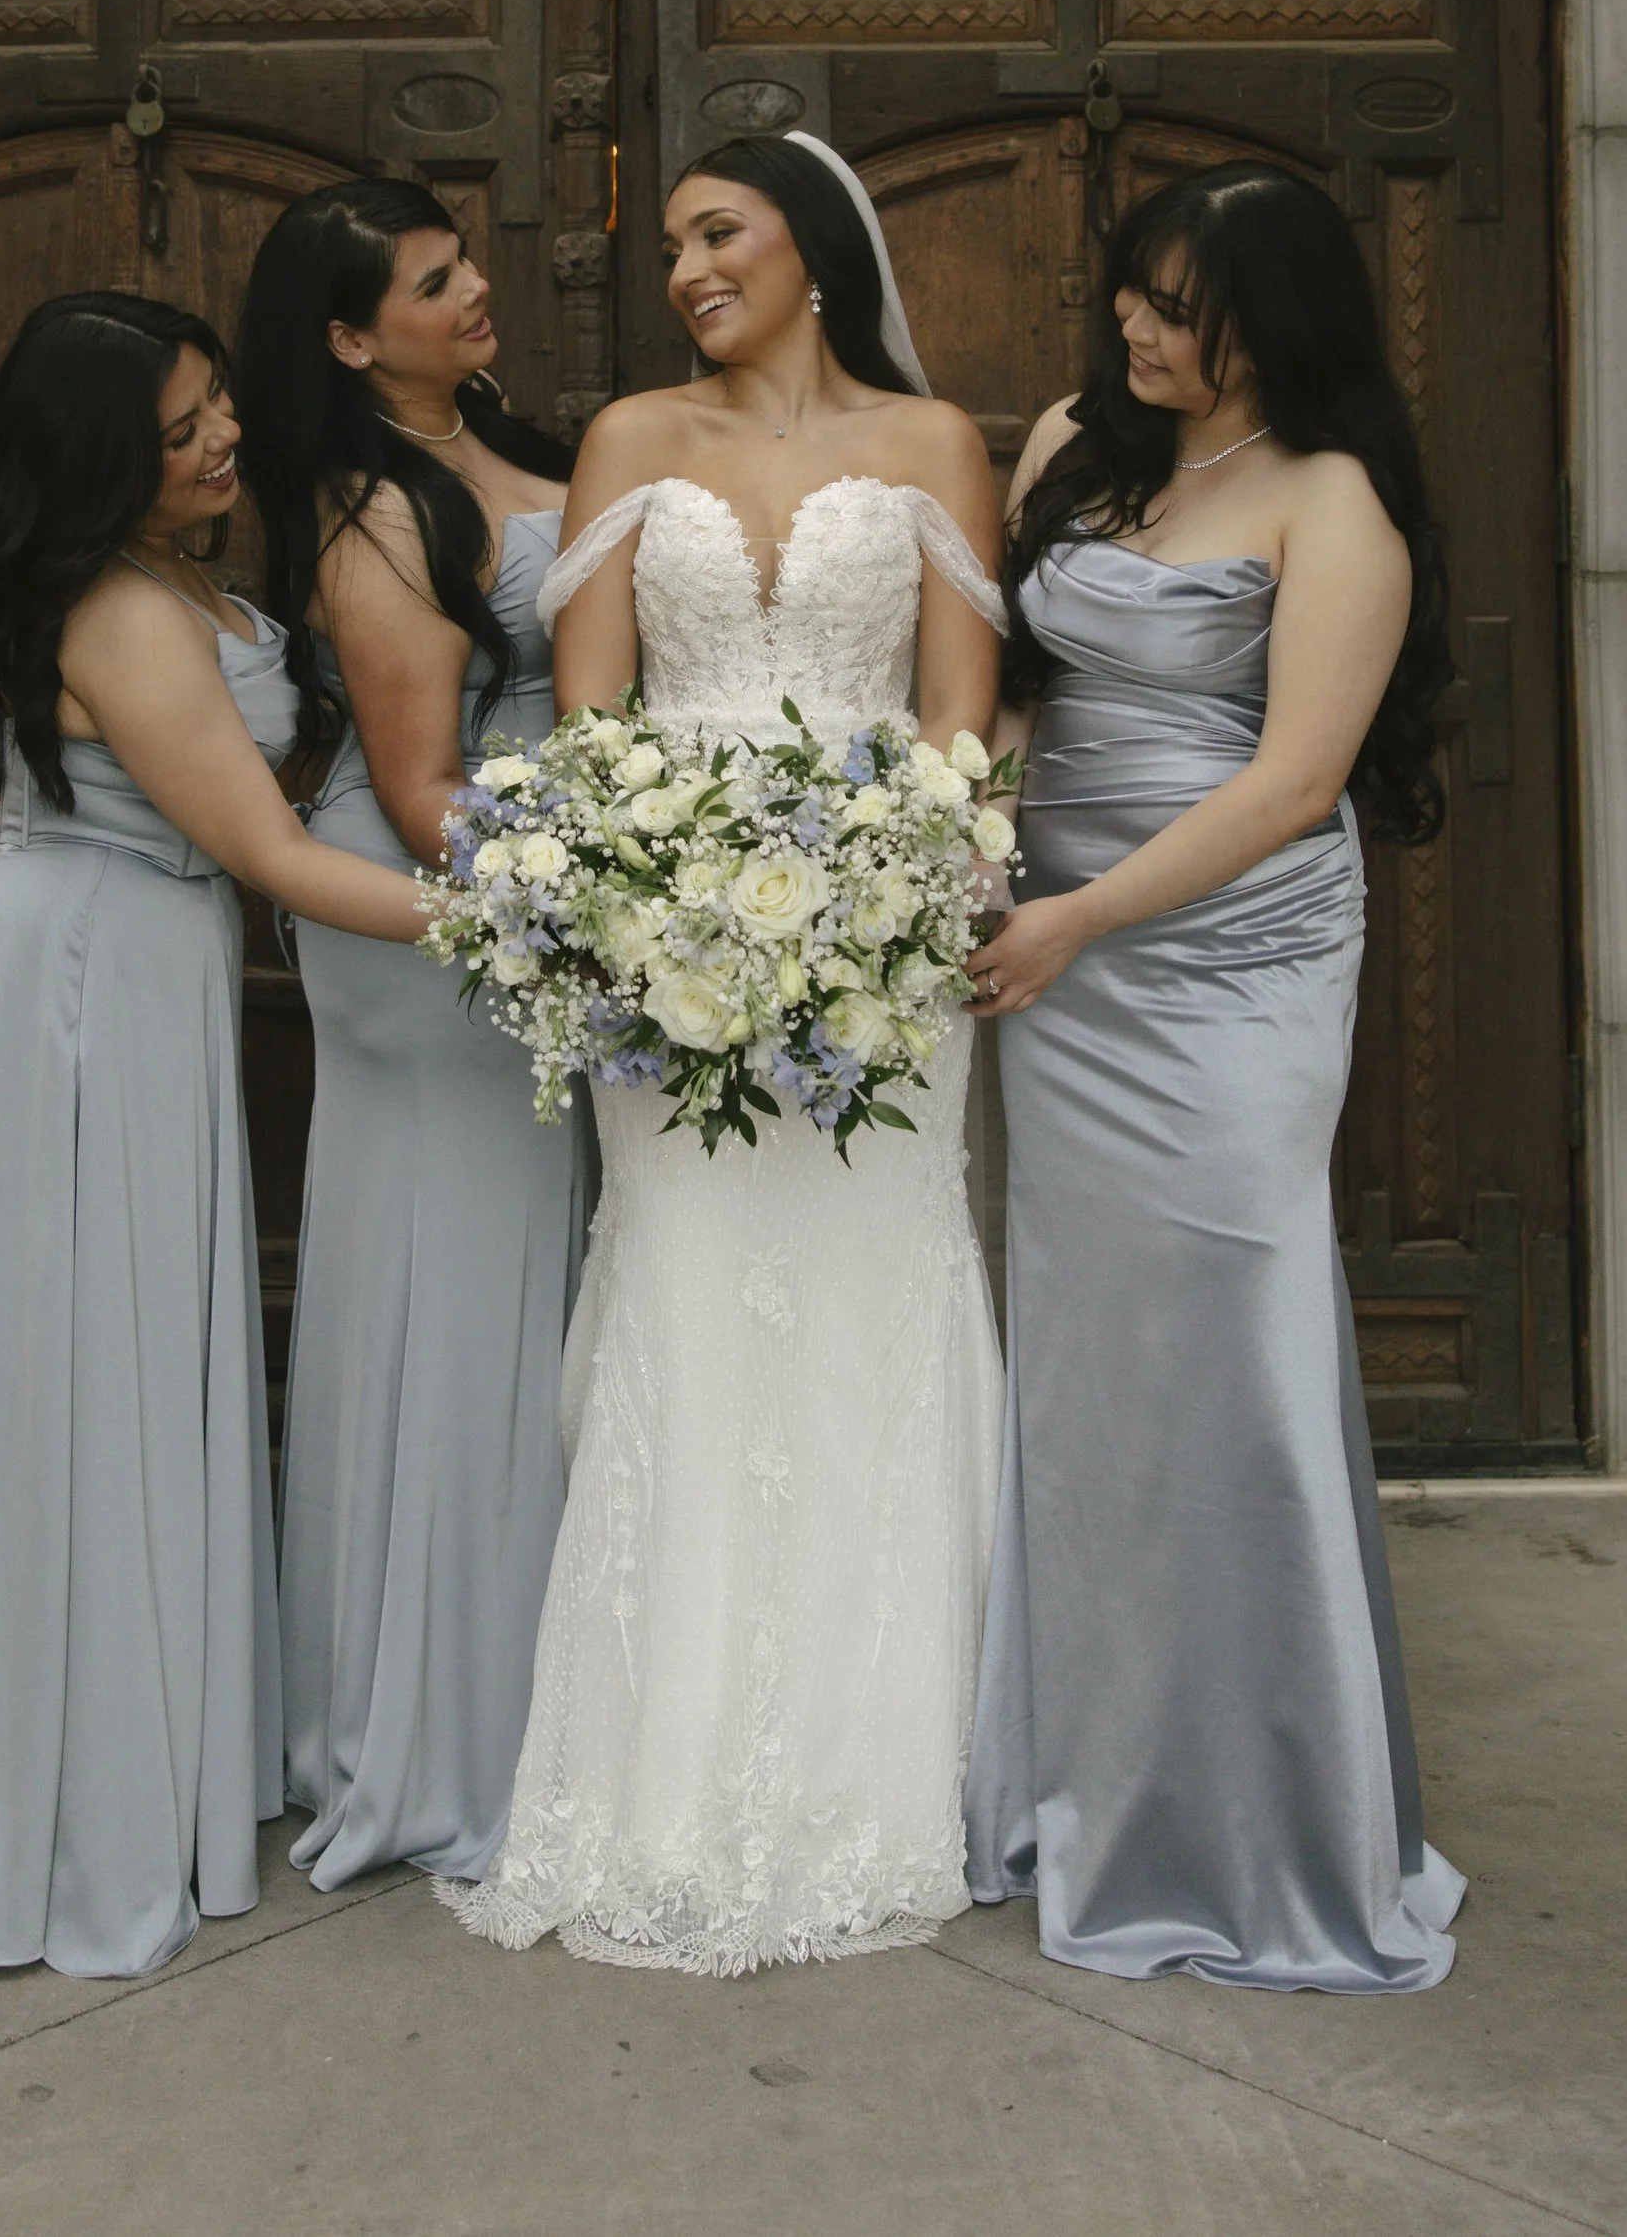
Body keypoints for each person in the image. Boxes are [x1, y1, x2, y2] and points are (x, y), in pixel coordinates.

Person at [448, 132, 1007, 1975]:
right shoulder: (631, 440)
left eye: (718, 233)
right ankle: (660, 1772)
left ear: (818, 249)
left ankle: (879, 1773)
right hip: (664, 952)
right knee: (687, 1301)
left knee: (871, 1304)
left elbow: (956, 720)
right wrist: (639, 894)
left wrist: (899, 892)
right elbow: (590, 713)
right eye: (670, 245)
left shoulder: (934, 450)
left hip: (879, 975)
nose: (685, 268)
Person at [0, 292, 430, 1980]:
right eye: (179, 432)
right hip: (79, 992)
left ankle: (136, 1743)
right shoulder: (119, 612)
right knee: (73, 1371)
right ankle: (61, 1802)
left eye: (218, 406)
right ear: (103, 460)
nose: (222, 439)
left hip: (145, 973)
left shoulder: (186, 581)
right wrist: (538, 920)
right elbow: (281, 858)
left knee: (127, 1354)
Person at [961, 161, 1466, 1991]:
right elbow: (1024, 671)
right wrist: (984, 816)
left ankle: (1272, 1823)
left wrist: (1082, 919)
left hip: (1226, 958)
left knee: (1238, 1338)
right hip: (1057, 949)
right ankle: (1089, 1772)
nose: (1135, 328)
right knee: (1094, 1367)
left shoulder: (1340, 503)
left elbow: (1293, 786)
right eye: (1131, 295)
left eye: (1177, 306)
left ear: (1277, 318)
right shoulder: (1074, 452)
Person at [236, 186, 584, 1892]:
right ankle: (435, 1728)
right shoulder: (373, 510)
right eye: (437, 285)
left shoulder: (502, 439)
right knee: (458, 1300)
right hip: (440, 922)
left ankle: (527, 1687)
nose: (476, 294)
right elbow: (421, 785)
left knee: (521, 1292)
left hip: (531, 905)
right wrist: (608, 911)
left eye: (468, 266)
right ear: (350, 338)